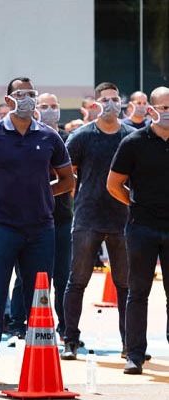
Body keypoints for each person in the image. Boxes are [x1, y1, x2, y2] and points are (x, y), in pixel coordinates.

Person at [0, 77, 74, 395]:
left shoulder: (49, 136)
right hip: (2, 228)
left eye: (31, 94)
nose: (28, 99)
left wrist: (44, 193)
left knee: (40, 303)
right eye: (21, 94)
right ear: (8, 100)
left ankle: (43, 373)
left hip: (41, 230)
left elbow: (67, 180)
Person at [60, 83, 135, 360]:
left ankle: (130, 345)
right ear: (95, 104)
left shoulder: (131, 136)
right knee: (77, 281)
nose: (111, 104)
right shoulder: (81, 136)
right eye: (105, 99)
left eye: (115, 99)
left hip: (123, 219)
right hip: (87, 218)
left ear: (122, 102)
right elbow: (66, 173)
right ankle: (70, 340)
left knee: (125, 285)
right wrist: (80, 197)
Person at [107, 86, 169, 374]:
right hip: (142, 227)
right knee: (138, 292)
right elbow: (113, 184)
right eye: (164, 108)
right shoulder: (133, 142)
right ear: (151, 110)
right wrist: (134, 204)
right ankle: (134, 354)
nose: (168, 113)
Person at [9, 93, 74, 338]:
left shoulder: (66, 139)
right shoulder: (28, 138)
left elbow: (71, 177)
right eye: (45, 106)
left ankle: (64, 326)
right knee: (26, 275)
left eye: (54, 106)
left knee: (62, 275)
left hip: (61, 216)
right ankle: (18, 323)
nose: (50, 110)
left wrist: (47, 192)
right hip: (30, 218)